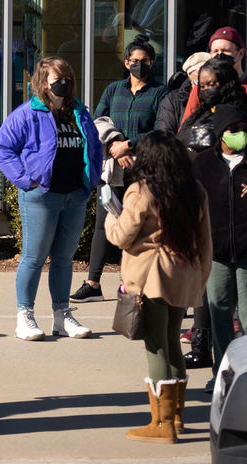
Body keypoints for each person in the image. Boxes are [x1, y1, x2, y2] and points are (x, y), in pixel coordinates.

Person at [105, 131, 213, 444]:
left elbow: (123, 235)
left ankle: (162, 423)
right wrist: (201, 277)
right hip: (185, 273)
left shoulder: (142, 190)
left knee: (156, 345)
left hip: (151, 276)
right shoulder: (195, 189)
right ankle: (176, 417)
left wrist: (110, 220)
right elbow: (205, 240)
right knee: (172, 341)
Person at [0, 57, 102, 341]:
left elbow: (95, 148)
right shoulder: (26, 113)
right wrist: (25, 180)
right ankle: (25, 316)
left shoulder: (80, 112)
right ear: (43, 83)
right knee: (33, 257)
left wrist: (91, 181)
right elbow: (3, 149)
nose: (64, 83)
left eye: (68, 77)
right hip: (41, 196)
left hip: (74, 195)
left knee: (64, 259)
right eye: (57, 79)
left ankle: (61, 315)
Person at [73, 35, 167, 304]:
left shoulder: (160, 93)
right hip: (113, 169)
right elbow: (97, 122)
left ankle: (132, 282)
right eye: (135, 61)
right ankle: (93, 282)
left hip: (143, 171)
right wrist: (115, 144)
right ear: (126, 63)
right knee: (104, 225)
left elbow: (161, 129)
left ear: (152, 62)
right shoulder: (114, 90)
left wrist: (129, 145)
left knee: (140, 227)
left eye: (145, 61)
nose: (140, 65)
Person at [191, 104, 247, 391]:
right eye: (234, 130)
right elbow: (192, 206)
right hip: (215, 251)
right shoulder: (202, 163)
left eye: (244, 129)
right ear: (220, 134)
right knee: (219, 315)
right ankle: (221, 374)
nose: (241, 134)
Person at [181, 26, 247, 132]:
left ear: (240, 53)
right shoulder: (201, 89)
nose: (219, 55)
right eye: (215, 51)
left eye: (225, 51)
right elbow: (185, 129)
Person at [155, 52, 211, 134]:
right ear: (189, 74)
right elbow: (165, 132)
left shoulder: (218, 96)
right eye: (200, 71)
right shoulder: (174, 99)